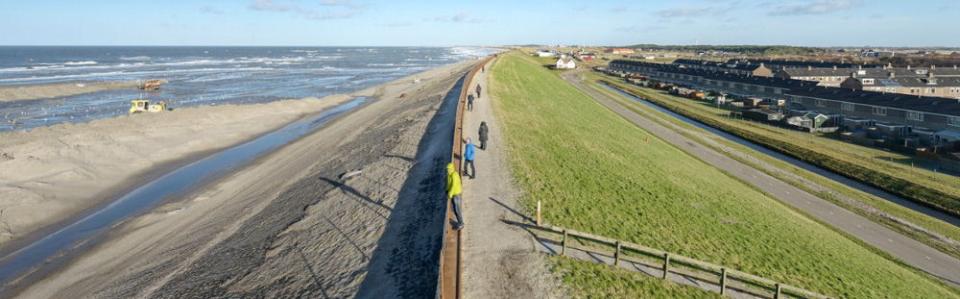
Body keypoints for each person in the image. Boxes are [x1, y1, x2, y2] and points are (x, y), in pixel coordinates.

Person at [446, 163, 464, 230]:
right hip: (453, 194)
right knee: (454, 209)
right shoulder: (449, 174)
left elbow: (454, 186)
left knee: (457, 209)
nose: (447, 170)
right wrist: (447, 190)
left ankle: (461, 224)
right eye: (447, 169)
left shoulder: (454, 175)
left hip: (456, 194)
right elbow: (449, 183)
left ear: (451, 168)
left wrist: (450, 193)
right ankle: (459, 222)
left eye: (448, 169)